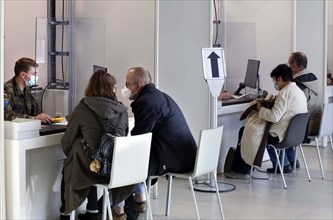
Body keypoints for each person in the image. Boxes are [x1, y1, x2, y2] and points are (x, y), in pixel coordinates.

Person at [121, 67, 197, 210]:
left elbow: (139, 138)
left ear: (138, 85)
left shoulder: (147, 102)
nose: (125, 88)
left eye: (127, 84)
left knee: (126, 160)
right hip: (181, 154)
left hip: (173, 158)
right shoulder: (157, 96)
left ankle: (118, 208)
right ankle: (139, 199)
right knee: (134, 158)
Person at [60, 70, 132, 220]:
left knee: (79, 161)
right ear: (112, 89)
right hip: (114, 169)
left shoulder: (83, 108)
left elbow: (67, 141)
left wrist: (70, 154)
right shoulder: (122, 111)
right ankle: (93, 210)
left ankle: (65, 214)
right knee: (91, 158)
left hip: (91, 167)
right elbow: (123, 136)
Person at [225, 64, 307, 178]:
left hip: (279, 135)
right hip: (293, 135)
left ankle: (242, 171)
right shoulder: (297, 90)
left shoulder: (285, 93)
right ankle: (283, 164)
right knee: (248, 130)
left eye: (275, 80)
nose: (275, 84)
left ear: (280, 78)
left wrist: (261, 108)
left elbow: (274, 117)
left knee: (245, 131)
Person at [286, 52, 322, 168]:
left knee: (279, 125)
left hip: (306, 127)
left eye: (289, 64)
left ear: (295, 65)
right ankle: (292, 161)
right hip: (316, 124)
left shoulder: (297, 84)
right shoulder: (313, 78)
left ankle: (284, 163)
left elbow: (289, 106)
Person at [4, 57, 51, 123]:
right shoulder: (5, 89)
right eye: (34, 74)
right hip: (12, 130)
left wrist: (43, 116)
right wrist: (34, 118)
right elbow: (7, 115)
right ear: (23, 74)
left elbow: (36, 110)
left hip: (27, 128)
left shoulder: (27, 89)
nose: (36, 76)